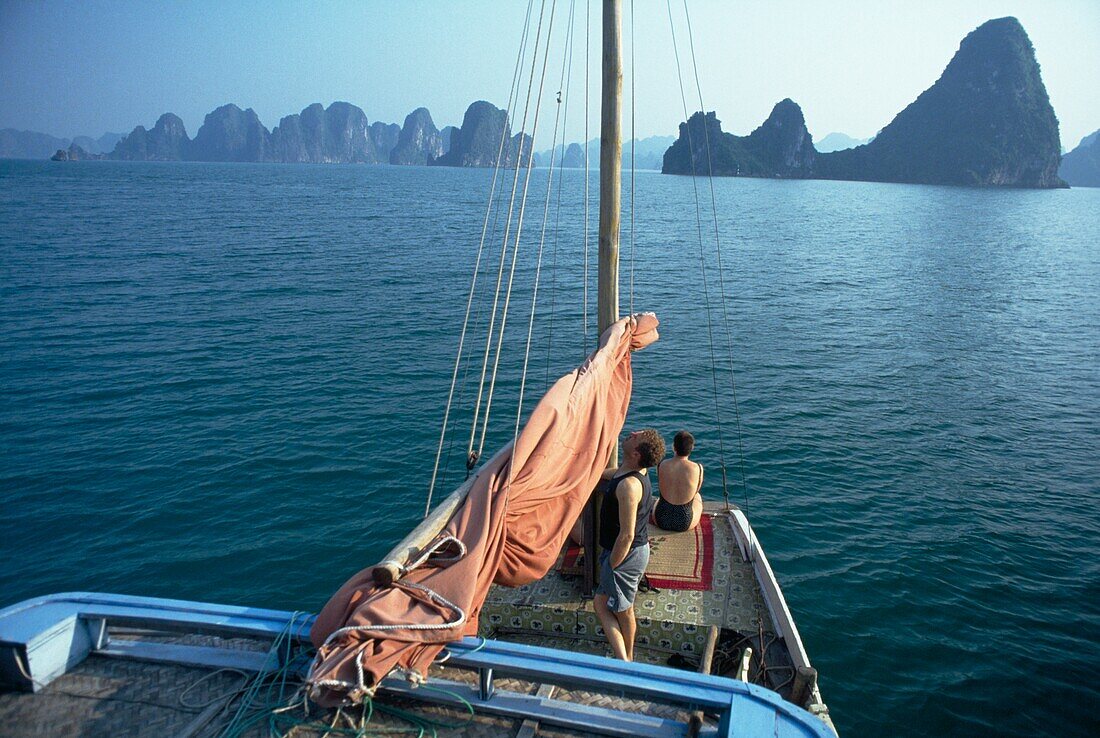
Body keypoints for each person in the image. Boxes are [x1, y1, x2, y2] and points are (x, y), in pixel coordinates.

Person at [594, 428, 665, 661]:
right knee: (602, 603)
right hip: (625, 553)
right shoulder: (632, 472)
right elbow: (615, 474)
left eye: (636, 437)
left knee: (621, 610)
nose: (632, 433)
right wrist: (588, 473)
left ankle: (626, 661)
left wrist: (612, 564)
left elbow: (627, 534)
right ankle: (626, 657)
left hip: (625, 554)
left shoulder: (629, 487)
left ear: (635, 453)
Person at [653, 430, 704, 532]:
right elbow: (695, 491)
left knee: (659, 499)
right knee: (697, 496)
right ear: (691, 448)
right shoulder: (697, 468)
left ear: (673, 447)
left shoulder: (662, 464)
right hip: (684, 522)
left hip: (661, 519)